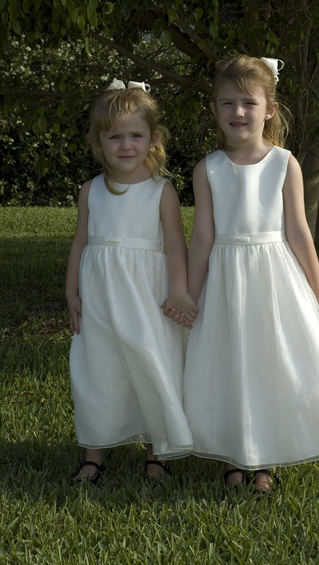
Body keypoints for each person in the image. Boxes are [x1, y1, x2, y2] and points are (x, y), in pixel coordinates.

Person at [183, 55, 319, 492]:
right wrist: (191, 294)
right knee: (230, 364)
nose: (238, 112)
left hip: (274, 280)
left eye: (248, 103)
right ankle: (233, 455)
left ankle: (264, 458)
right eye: (227, 103)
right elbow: (201, 238)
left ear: (269, 109)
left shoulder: (284, 162)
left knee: (270, 363)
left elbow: (299, 233)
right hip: (226, 282)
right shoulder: (208, 169)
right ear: (215, 109)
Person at [66, 78, 197, 484]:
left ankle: (157, 454)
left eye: (136, 136)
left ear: (152, 139)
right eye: (115, 137)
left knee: (152, 364)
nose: (126, 145)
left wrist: (179, 290)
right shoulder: (91, 190)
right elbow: (81, 241)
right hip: (100, 295)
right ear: (98, 142)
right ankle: (94, 455)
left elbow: (176, 246)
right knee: (98, 367)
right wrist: (71, 289)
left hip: (147, 295)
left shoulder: (162, 191)